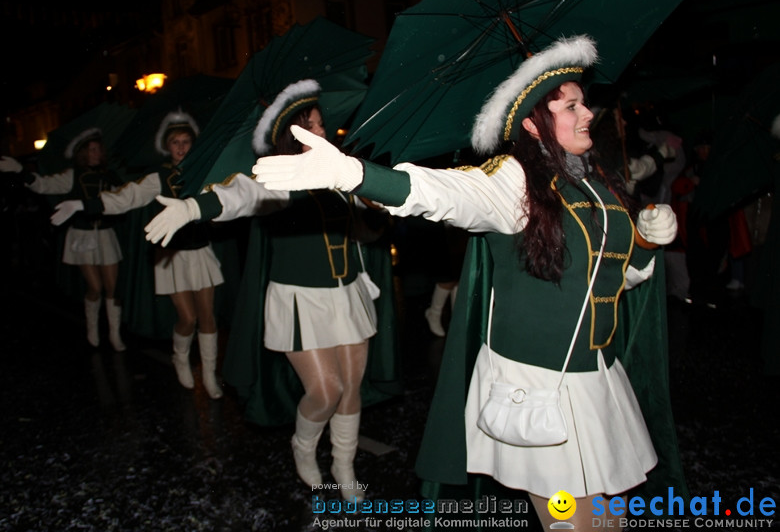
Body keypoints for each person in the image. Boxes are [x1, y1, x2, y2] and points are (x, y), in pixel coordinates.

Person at [249, 37, 681, 530]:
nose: (587, 113)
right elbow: (442, 192)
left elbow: (615, 276)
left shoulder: (596, 183)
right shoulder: (512, 181)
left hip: (599, 382)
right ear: (532, 123)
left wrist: (646, 240)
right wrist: (355, 174)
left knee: (611, 523)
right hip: (541, 388)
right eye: (572, 105)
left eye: (584, 102)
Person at [144, 80, 391, 503]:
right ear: (290, 136)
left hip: (347, 289)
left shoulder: (343, 170)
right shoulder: (281, 177)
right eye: (309, 125)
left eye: (320, 123)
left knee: (352, 387)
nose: (320, 131)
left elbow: (367, 232)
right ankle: (303, 445)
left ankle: (344, 465)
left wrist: (376, 208)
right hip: (301, 298)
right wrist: (194, 206)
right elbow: (244, 193)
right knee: (325, 391)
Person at [49, 110, 225, 399]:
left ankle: (208, 374)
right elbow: (126, 197)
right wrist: (84, 206)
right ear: (167, 146)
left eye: (186, 141)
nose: (181, 147)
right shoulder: (159, 177)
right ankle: (180, 357)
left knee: (208, 318)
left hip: (200, 250)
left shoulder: (205, 172)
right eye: (175, 142)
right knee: (188, 319)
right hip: (172, 255)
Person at [0, 128, 126, 351]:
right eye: (91, 150)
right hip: (82, 235)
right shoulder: (72, 175)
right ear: (83, 153)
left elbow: (124, 201)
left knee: (113, 288)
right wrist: (21, 171)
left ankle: (114, 334)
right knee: (95, 287)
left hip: (105, 234)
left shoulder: (110, 175)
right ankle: (93, 328)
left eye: (98, 149)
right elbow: (44, 184)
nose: (95, 153)